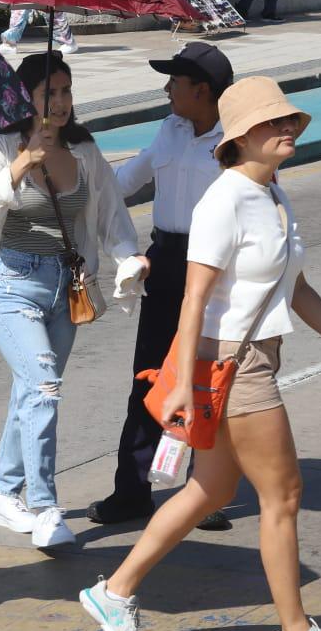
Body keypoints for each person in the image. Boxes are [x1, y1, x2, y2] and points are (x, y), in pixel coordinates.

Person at [79, 77, 321, 631]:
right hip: (233, 363)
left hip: (249, 356)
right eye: (273, 124)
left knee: (212, 490)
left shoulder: (273, 192)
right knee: (284, 495)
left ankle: (113, 592)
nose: (286, 130)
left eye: (288, 122)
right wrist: (178, 386)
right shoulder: (223, 200)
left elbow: (293, 286)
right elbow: (192, 299)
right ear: (240, 137)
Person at [0, 53, 145, 549]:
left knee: (34, 390)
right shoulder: (3, 146)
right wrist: (20, 164)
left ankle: (3, 492)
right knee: (44, 388)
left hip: (66, 288)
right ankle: (44, 506)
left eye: (66, 90)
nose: (60, 102)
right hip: (13, 283)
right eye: (48, 93)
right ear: (27, 98)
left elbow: (110, 213)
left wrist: (128, 257)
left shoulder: (82, 148)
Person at [89, 42, 234, 532]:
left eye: (175, 81)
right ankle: (131, 491)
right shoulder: (169, 129)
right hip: (167, 258)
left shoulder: (235, 140)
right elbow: (126, 180)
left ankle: (205, 493)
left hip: (215, 266)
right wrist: (76, 181)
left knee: (207, 380)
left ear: (203, 91)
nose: (166, 88)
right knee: (149, 376)